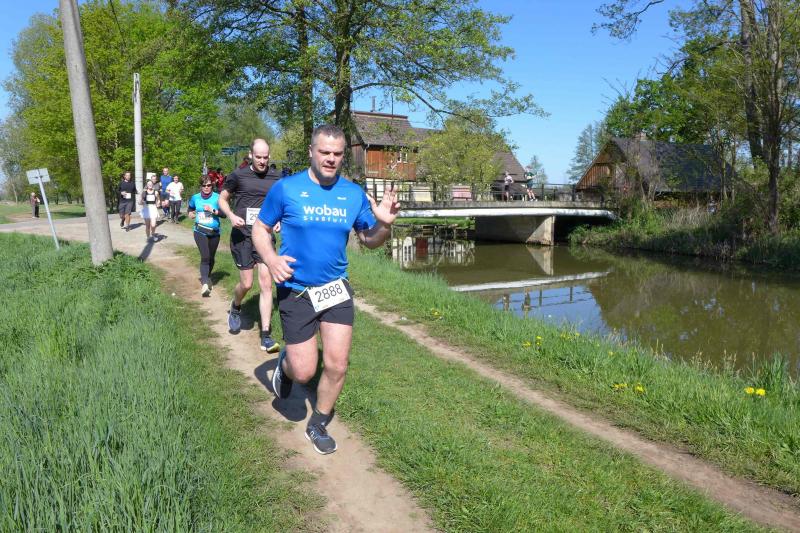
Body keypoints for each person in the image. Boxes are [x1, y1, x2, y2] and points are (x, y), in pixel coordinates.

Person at [252, 124, 400, 455]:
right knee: (304, 370)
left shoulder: (353, 194)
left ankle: (317, 422)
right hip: (296, 290)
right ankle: (286, 367)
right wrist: (271, 259)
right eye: (324, 152)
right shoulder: (286, 188)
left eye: (337, 154)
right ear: (311, 152)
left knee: (337, 365)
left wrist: (385, 224)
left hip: (335, 289)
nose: (331, 159)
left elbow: (370, 240)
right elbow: (260, 228)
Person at [219, 139, 281, 353]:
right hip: (242, 236)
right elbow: (222, 199)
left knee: (266, 283)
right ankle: (236, 306)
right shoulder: (238, 175)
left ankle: (266, 335)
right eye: (258, 157)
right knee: (246, 284)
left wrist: (279, 219)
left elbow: (282, 203)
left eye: (265, 157)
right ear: (251, 155)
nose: (262, 161)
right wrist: (230, 215)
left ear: (269, 156)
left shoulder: (276, 177)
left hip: (264, 236)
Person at [188, 176, 224, 296]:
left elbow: (224, 214)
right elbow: (190, 208)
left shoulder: (218, 198)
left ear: (212, 186)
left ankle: (207, 277)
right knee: (205, 256)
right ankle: (204, 284)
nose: (206, 187)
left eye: (209, 185)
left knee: (211, 258)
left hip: (214, 232)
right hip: (199, 231)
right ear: (201, 186)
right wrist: (190, 214)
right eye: (204, 185)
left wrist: (213, 210)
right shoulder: (195, 197)